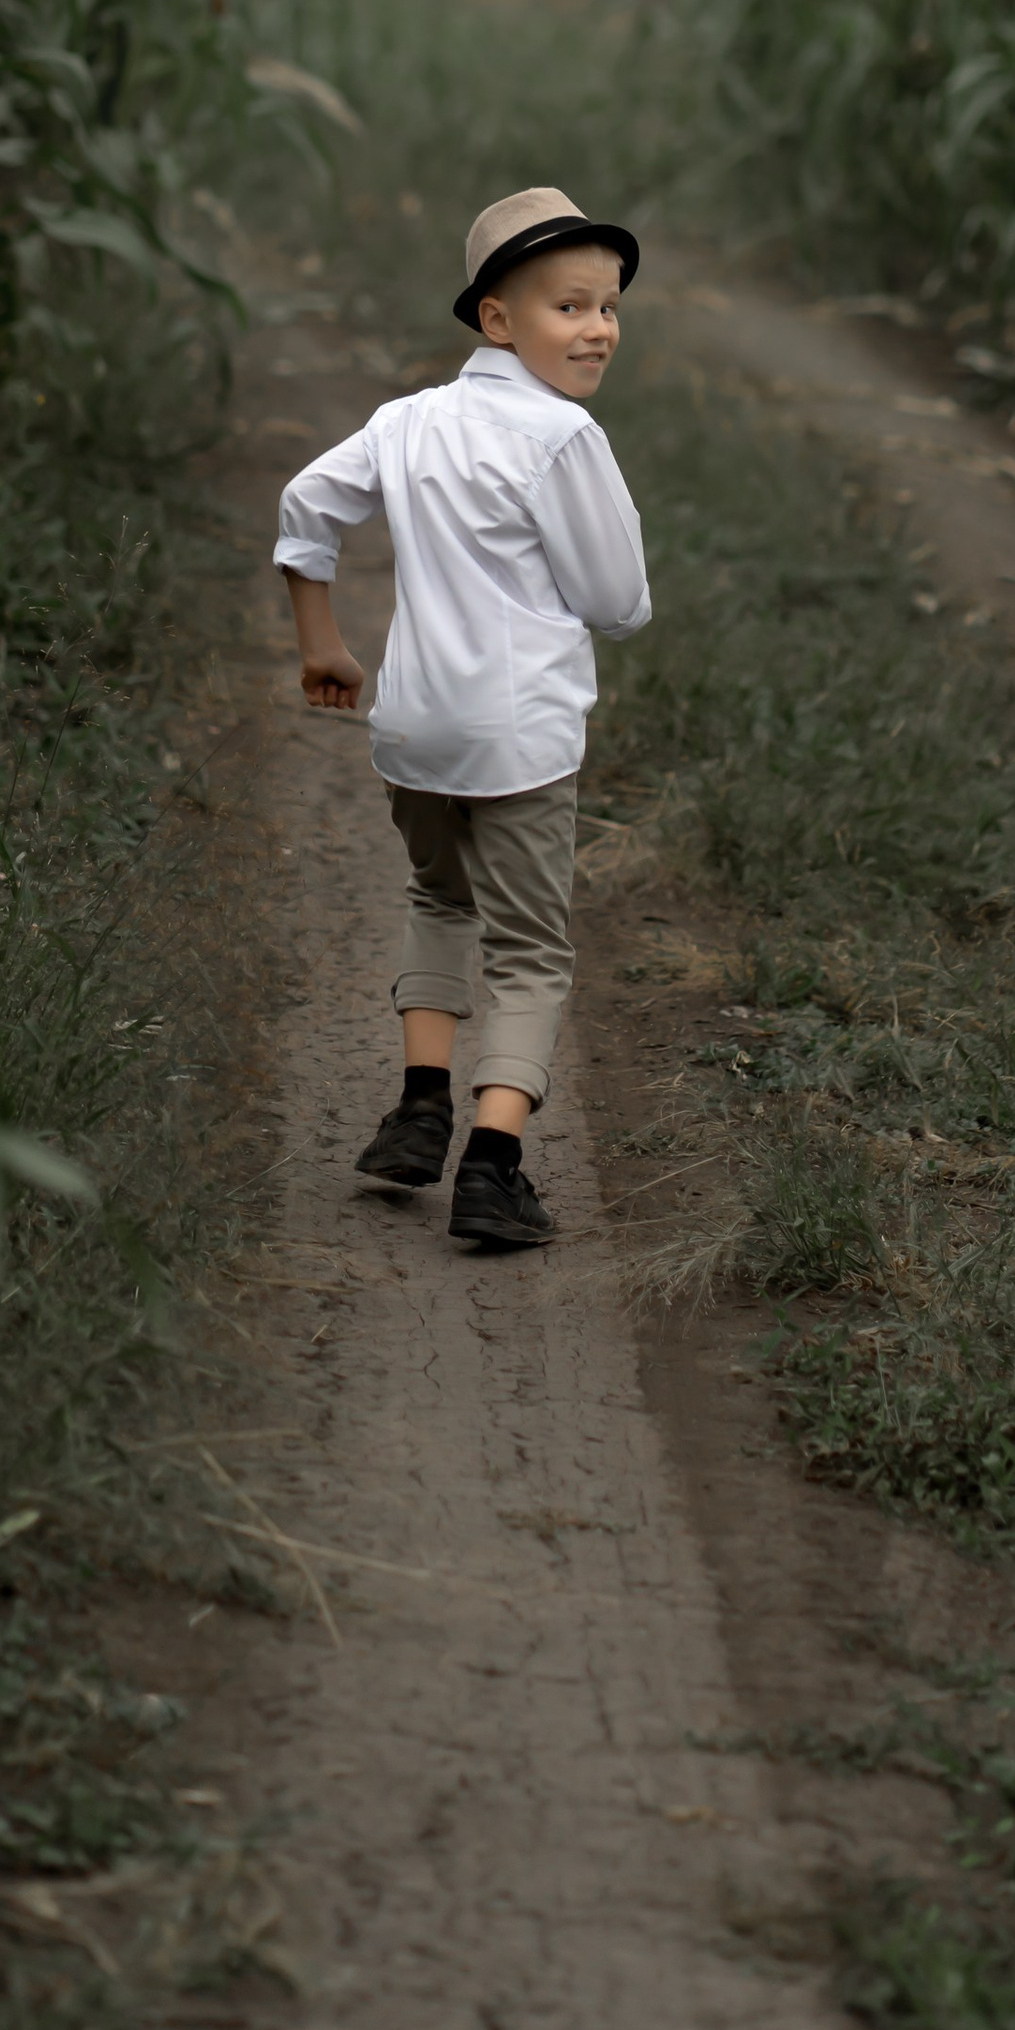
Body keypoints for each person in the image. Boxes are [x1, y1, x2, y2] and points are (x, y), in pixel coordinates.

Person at [273, 187, 651, 1248]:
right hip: (517, 737)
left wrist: (321, 645)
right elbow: (618, 603)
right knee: (528, 949)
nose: (598, 329)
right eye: (570, 307)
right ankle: (493, 1165)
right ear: (497, 318)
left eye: (608, 308)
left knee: (439, 899)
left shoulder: (407, 421)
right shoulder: (563, 436)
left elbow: (307, 505)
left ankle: (419, 1108)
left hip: (413, 727)